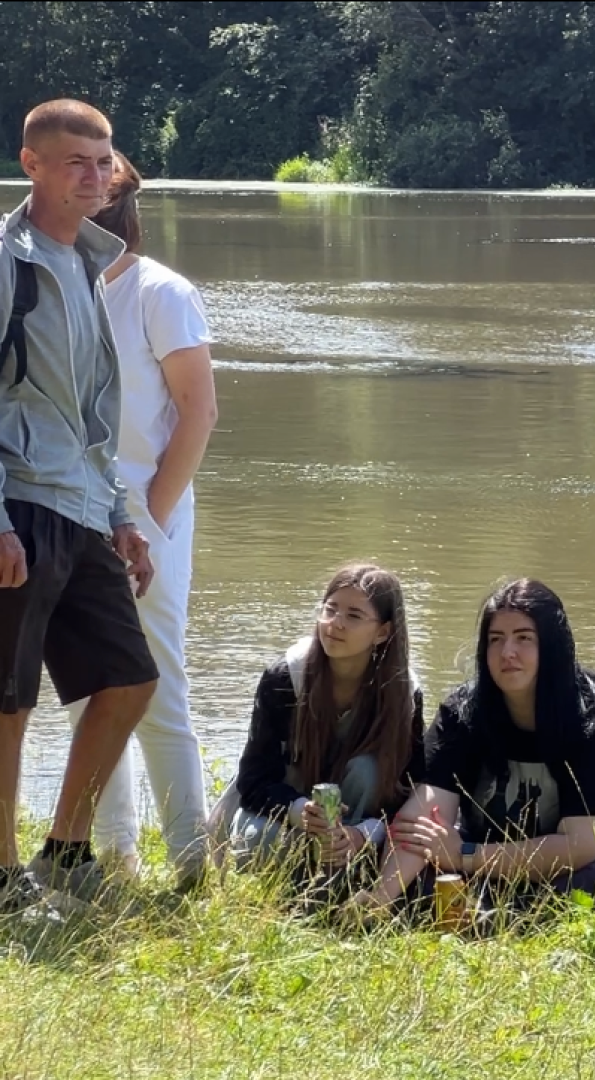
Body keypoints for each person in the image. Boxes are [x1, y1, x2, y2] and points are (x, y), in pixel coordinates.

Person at [0, 99, 158, 910]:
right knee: (8, 697)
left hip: (84, 506)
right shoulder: (8, 257)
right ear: (32, 165)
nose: (95, 178)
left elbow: (98, 418)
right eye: (75, 163)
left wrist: (124, 514)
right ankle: (0, 873)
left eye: (103, 163)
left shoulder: (92, 259)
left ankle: (64, 850)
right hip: (19, 502)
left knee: (129, 678)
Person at [61, 150, 218, 889]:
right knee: (87, 690)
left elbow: (197, 414)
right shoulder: (52, 288)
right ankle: (113, 856)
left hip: (146, 514)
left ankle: (191, 861)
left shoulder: (161, 292)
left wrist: (148, 524)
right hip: (61, 509)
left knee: (157, 684)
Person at [348, 579, 595, 918]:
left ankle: (494, 919)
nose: (507, 653)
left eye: (523, 638)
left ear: (552, 647)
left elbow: (581, 845)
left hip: (582, 867)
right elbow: (423, 817)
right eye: (496, 639)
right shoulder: (462, 714)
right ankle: (497, 918)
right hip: (491, 867)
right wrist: (380, 898)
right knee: (414, 864)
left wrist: (465, 854)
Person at [217, 565, 424, 882]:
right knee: (257, 840)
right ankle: (299, 875)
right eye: (330, 609)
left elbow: (411, 788)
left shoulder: (404, 692)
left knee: (368, 770)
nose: (335, 624)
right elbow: (253, 779)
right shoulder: (285, 678)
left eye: (354, 616)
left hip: (359, 826)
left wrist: (362, 835)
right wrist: (299, 811)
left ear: (382, 632)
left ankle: (342, 870)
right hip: (288, 815)